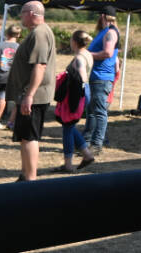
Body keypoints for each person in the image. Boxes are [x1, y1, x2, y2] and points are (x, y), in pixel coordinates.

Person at [5, 1, 55, 181]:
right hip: (30, 95)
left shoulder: (40, 33)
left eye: (22, 12)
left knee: (29, 136)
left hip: (35, 97)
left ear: (32, 13)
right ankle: (25, 174)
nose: (20, 16)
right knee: (25, 137)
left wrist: (29, 95)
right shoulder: (36, 32)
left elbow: (40, 66)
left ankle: (31, 179)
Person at [54, 30, 96, 173]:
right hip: (83, 92)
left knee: (67, 128)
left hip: (77, 94)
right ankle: (87, 154)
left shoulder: (79, 58)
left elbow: (82, 77)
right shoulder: (88, 54)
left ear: (75, 42)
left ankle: (68, 164)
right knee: (70, 126)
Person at [84, 5, 120, 155]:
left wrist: (86, 54)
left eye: (100, 15)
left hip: (102, 78)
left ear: (104, 16)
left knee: (99, 112)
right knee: (91, 111)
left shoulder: (111, 32)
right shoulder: (104, 32)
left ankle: (97, 145)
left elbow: (107, 53)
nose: (98, 18)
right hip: (96, 77)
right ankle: (85, 142)